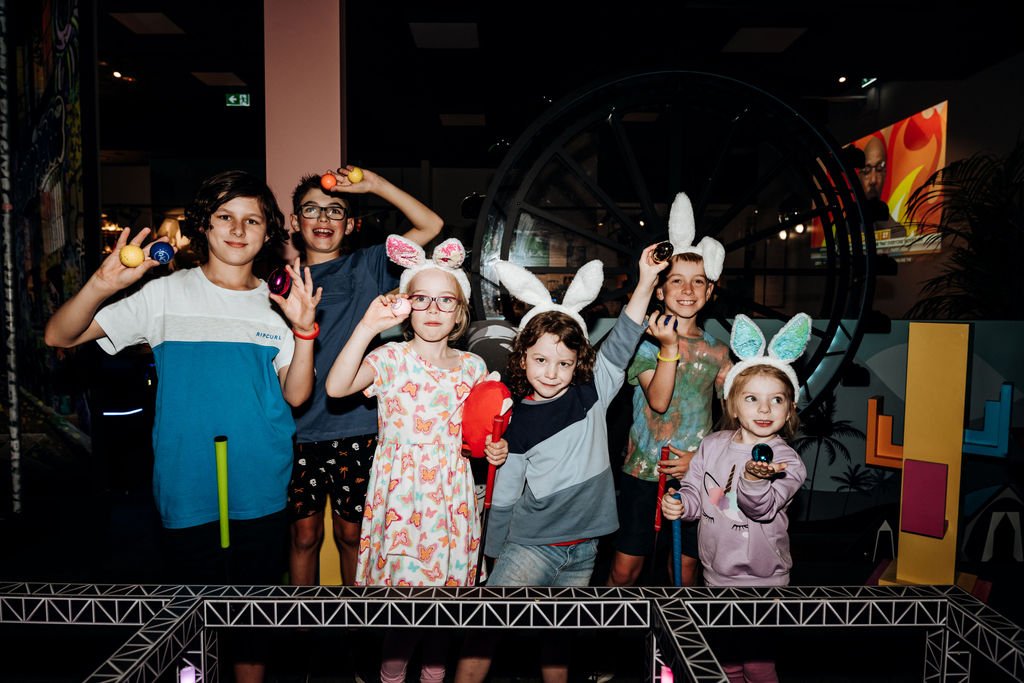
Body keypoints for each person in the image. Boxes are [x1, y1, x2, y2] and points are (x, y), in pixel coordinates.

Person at [44, 170, 322, 683]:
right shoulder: (165, 295)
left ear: (268, 232)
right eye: (225, 217)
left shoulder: (278, 302)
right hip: (185, 479)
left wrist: (304, 331)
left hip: (260, 480)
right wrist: (103, 284)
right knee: (189, 619)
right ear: (203, 225)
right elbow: (59, 334)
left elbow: (297, 394)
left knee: (253, 619)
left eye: (252, 220)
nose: (237, 229)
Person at [455, 243, 667, 683]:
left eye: (564, 363)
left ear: (579, 362)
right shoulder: (515, 421)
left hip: (585, 547)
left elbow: (625, 335)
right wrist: (492, 554)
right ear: (522, 358)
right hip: (530, 547)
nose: (551, 372)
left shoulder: (595, 391)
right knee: (485, 630)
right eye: (540, 360)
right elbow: (505, 497)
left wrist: (647, 280)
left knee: (560, 637)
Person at [325, 235, 507, 683]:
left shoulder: (473, 368)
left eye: (445, 300)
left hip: (452, 503)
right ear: (405, 306)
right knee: (403, 615)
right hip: (402, 504)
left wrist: (494, 448)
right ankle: (390, 675)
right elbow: (336, 387)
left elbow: (478, 435)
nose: (432, 309)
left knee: (443, 614)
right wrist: (367, 326)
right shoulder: (390, 358)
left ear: (460, 311)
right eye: (421, 298)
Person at [285, 166, 443, 587]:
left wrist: (375, 186)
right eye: (311, 209)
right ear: (294, 221)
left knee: (352, 535)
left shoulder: (368, 265)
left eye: (335, 210)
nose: (323, 218)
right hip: (297, 429)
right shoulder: (282, 282)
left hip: (357, 426)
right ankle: (301, 620)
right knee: (303, 536)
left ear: (351, 224)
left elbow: (431, 225)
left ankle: (356, 620)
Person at [660, 313, 810, 683]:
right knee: (724, 663)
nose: (764, 409)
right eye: (752, 398)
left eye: (776, 400)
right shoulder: (711, 446)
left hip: (765, 581)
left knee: (757, 665)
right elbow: (700, 495)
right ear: (732, 404)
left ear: (790, 408)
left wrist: (754, 481)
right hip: (716, 575)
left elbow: (761, 508)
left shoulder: (788, 462)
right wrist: (682, 505)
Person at [608, 192, 731, 588]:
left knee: (686, 570)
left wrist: (701, 458)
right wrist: (669, 347)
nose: (688, 289)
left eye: (698, 282)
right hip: (643, 471)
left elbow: (734, 419)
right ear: (660, 291)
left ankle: (678, 630)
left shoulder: (718, 351)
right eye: (676, 280)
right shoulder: (647, 344)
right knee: (625, 570)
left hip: (697, 476)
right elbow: (659, 401)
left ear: (709, 292)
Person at [857, 137, 906, 238]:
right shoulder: (846, 229)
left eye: (879, 169)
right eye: (867, 170)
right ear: (859, 176)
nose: (873, 180)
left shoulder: (897, 232)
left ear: (885, 174)